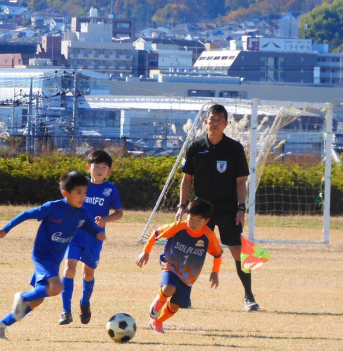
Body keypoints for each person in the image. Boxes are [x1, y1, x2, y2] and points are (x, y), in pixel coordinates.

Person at [0, 171, 106, 340]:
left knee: (38, 299)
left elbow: (89, 226)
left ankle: (1, 325)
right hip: (43, 257)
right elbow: (27, 214)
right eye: (79, 193)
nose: (83, 197)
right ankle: (23, 297)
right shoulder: (53, 208)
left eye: (85, 192)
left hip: (54, 260)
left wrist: (98, 234)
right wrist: (6, 228)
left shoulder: (82, 213)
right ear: (66, 193)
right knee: (57, 287)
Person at [176, 103, 260, 311]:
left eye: (219, 120)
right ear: (206, 122)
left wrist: (241, 208)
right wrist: (182, 205)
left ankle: (249, 296)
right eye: (211, 119)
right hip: (201, 210)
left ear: (226, 124)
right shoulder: (195, 147)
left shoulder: (234, 149)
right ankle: (184, 296)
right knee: (193, 251)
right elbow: (187, 179)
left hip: (229, 209)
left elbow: (241, 181)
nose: (214, 123)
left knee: (238, 251)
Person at [136, 198, 222, 334]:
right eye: (191, 218)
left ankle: (157, 322)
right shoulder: (178, 227)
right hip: (170, 265)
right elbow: (156, 233)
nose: (193, 223)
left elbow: (218, 254)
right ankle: (160, 301)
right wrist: (145, 252)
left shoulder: (208, 236)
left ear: (206, 221)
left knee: (175, 305)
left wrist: (215, 272)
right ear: (186, 215)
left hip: (188, 275)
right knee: (169, 288)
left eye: (198, 221)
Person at [59, 149, 123, 325]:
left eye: (104, 167)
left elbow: (119, 213)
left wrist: (105, 219)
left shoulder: (110, 190)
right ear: (88, 167)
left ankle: (84, 303)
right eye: (96, 166)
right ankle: (66, 311)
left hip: (94, 238)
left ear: (109, 171)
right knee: (69, 269)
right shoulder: (80, 187)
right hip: (74, 235)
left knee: (88, 273)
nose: (100, 170)